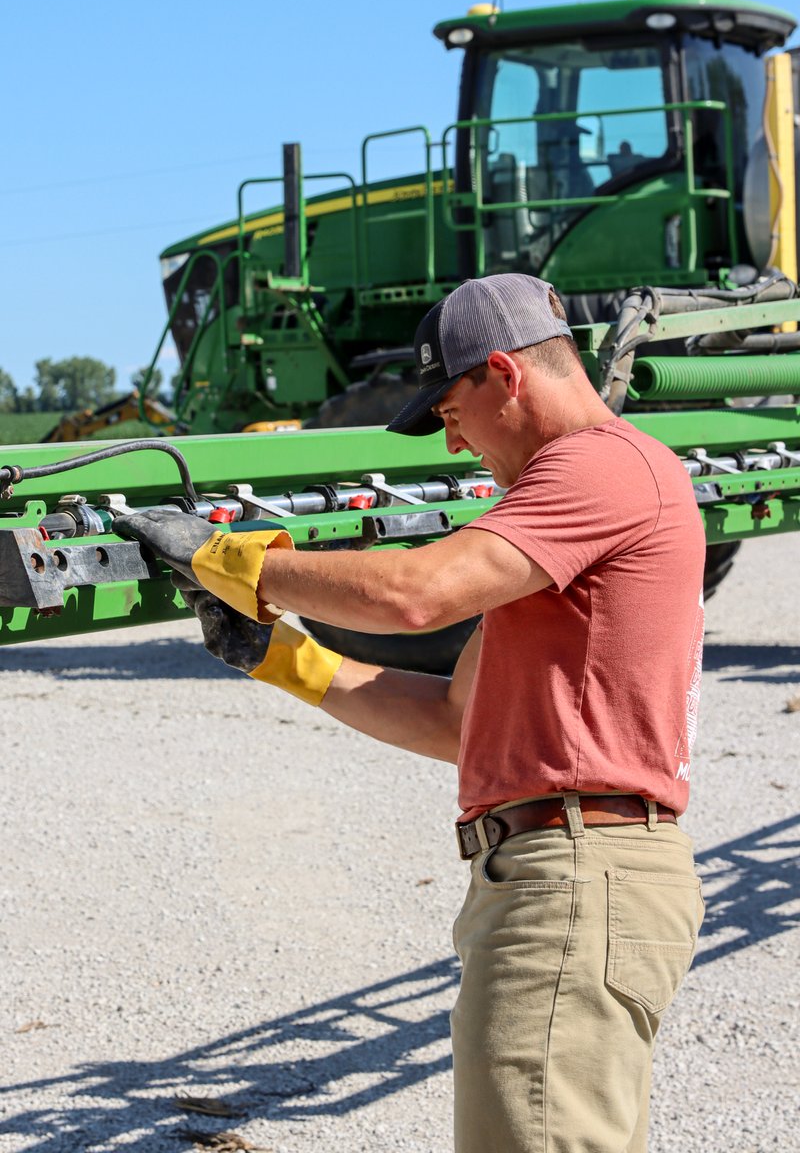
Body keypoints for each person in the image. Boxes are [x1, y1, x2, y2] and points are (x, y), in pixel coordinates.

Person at [115, 273, 706, 1153]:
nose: (452, 438)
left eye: (449, 410)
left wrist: (232, 560)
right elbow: (458, 721)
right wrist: (286, 659)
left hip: (576, 877)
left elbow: (417, 593)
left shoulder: (597, 465)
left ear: (504, 373)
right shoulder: (561, 528)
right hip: (565, 871)